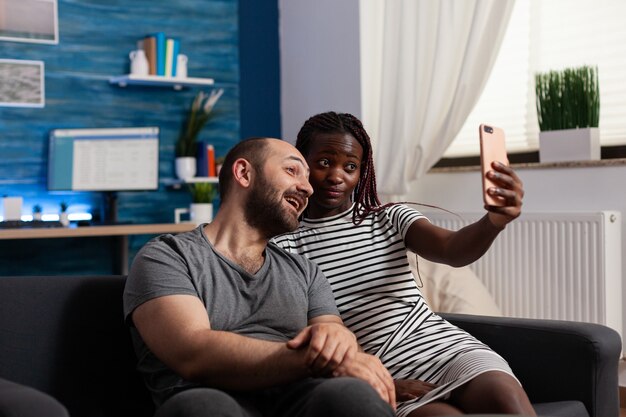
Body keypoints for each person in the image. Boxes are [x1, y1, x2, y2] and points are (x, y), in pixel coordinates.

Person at [272, 112, 536, 417]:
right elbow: (297, 338)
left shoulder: (389, 217)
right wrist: (373, 382)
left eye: (350, 166)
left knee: (511, 404)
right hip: (381, 371)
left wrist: (494, 222)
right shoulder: (285, 245)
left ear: (362, 171)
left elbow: (453, 250)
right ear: (302, 164)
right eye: (324, 163)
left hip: (446, 349)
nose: (337, 176)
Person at [123, 137, 396, 417]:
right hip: (210, 396)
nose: (308, 187)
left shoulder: (305, 272)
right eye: (292, 171)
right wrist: (317, 359)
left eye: (306, 178)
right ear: (243, 173)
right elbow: (193, 353)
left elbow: (336, 337)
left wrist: (341, 343)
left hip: (300, 398)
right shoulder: (167, 256)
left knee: (351, 395)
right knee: (202, 408)